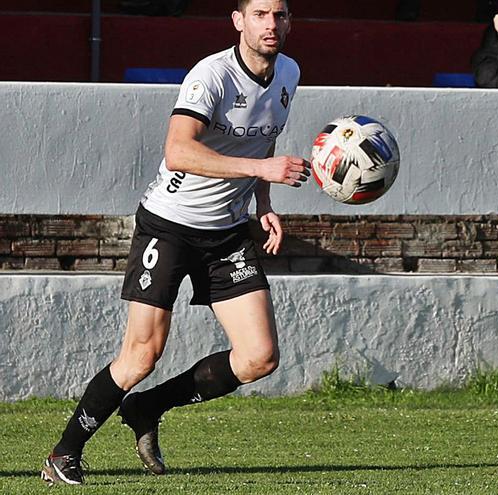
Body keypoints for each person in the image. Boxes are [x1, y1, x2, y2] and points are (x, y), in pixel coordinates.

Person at [40, 0, 310, 485]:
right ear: (239, 20)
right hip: (170, 225)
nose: (271, 25)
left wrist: (263, 203)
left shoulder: (288, 72)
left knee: (259, 357)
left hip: (227, 233)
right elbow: (178, 150)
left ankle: (147, 408)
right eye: (261, 14)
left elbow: (263, 140)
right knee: (142, 354)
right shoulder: (211, 76)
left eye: (281, 15)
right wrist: (260, 171)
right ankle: (64, 452)